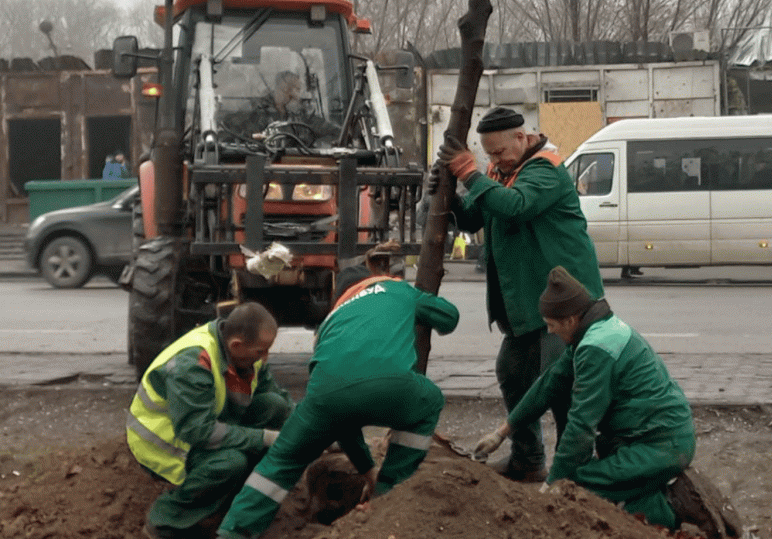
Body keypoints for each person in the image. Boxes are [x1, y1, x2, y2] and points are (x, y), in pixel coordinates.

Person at [216, 241, 459, 539]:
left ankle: (232, 532)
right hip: (393, 386)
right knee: (429, 400)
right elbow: (450, 317)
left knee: (281, 462)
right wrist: (418, 308)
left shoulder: (331, 321)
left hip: (323, 398)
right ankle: (387, 495)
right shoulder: (398, 289)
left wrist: (366, 468)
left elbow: (340, 416)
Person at [473, 266, 722, 534]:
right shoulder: (591, 332)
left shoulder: (597, 348)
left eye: (552, 325)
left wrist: (554, 483)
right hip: (645, 438)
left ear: (569, 320)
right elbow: (548, 384)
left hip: (659, 445)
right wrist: (502, 432)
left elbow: (581, 424)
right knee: (602, 481)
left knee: (576, 486)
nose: (550, 331)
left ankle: (679, 507)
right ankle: (659, 491)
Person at [435, 106, 604, 482]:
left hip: (564, 303)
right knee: (512, 374)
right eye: (488, 154)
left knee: (561, 386)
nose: (494, 160)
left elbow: (515, 207)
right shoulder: (501, 171)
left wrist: (469, 172)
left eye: (499, 152)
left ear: (522, 137)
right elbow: (476, 218)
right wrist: (450, 197)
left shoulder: (545, 169)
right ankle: (528, 461)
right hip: (524, 302)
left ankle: (571, 471)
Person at [127, 302, 292, 539]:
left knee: (273, 405)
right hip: (166, 440)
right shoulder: (193, 363)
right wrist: (264, 438)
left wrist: (312, 431)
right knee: (230, 463)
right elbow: (198, 431)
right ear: (237, 345)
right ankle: (165, 521)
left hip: (203, 421)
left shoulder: (244, 354)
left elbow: (279, 400)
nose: (264, 358)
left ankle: (233, 496)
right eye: (260, 351)